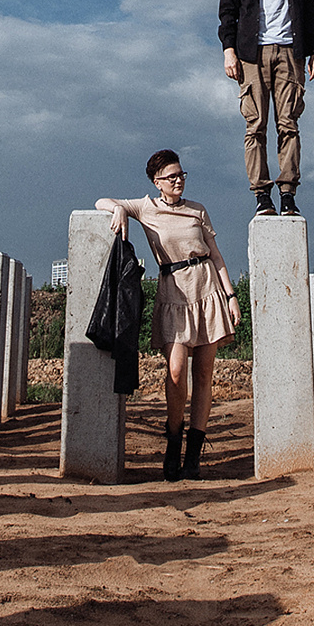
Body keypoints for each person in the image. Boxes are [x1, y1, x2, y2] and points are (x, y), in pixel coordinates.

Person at [97, 150, 240, 481]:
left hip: (207, 289)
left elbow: (215, 256)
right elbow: (101, 201)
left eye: (181, 175)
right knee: (176, 372)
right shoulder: (147, 207)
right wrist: (119, 208)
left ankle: (193, 454)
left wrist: (231, 296)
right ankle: (173, 441)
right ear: (156, 181)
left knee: (204, 374)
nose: (179, 181)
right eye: (172, 177)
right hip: (173, 292)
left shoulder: (197, 210)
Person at [216, 0, 314, 216]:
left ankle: (287, 193)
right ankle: (262, 194)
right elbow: (227, 14)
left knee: (289, 123)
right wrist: (229, 50)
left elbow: (309, 11)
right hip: (251, 54)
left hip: (290, 51)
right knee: (255, 125)